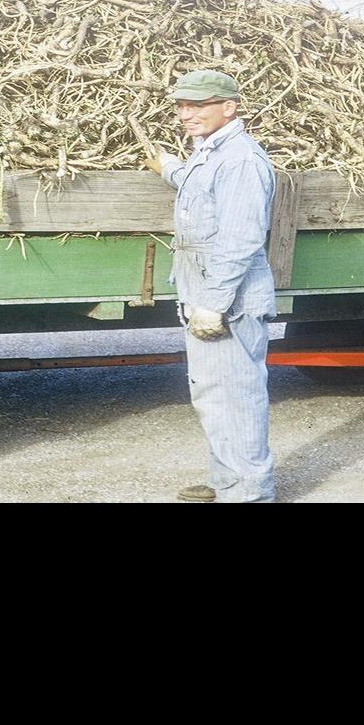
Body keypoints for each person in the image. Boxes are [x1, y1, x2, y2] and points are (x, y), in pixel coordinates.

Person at [146, 70, 278, 503]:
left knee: (236, 397)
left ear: (229, 107)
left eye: (198, 105)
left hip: (229, 302)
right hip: (208, 295)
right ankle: (229, 483)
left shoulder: (241, 159)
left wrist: (213, 304)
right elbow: (201, 190)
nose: (187, 114)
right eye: (182, 106)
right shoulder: (211, 153)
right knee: (214, 395)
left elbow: (241, 239)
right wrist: (169, 169)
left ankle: (251, 494)